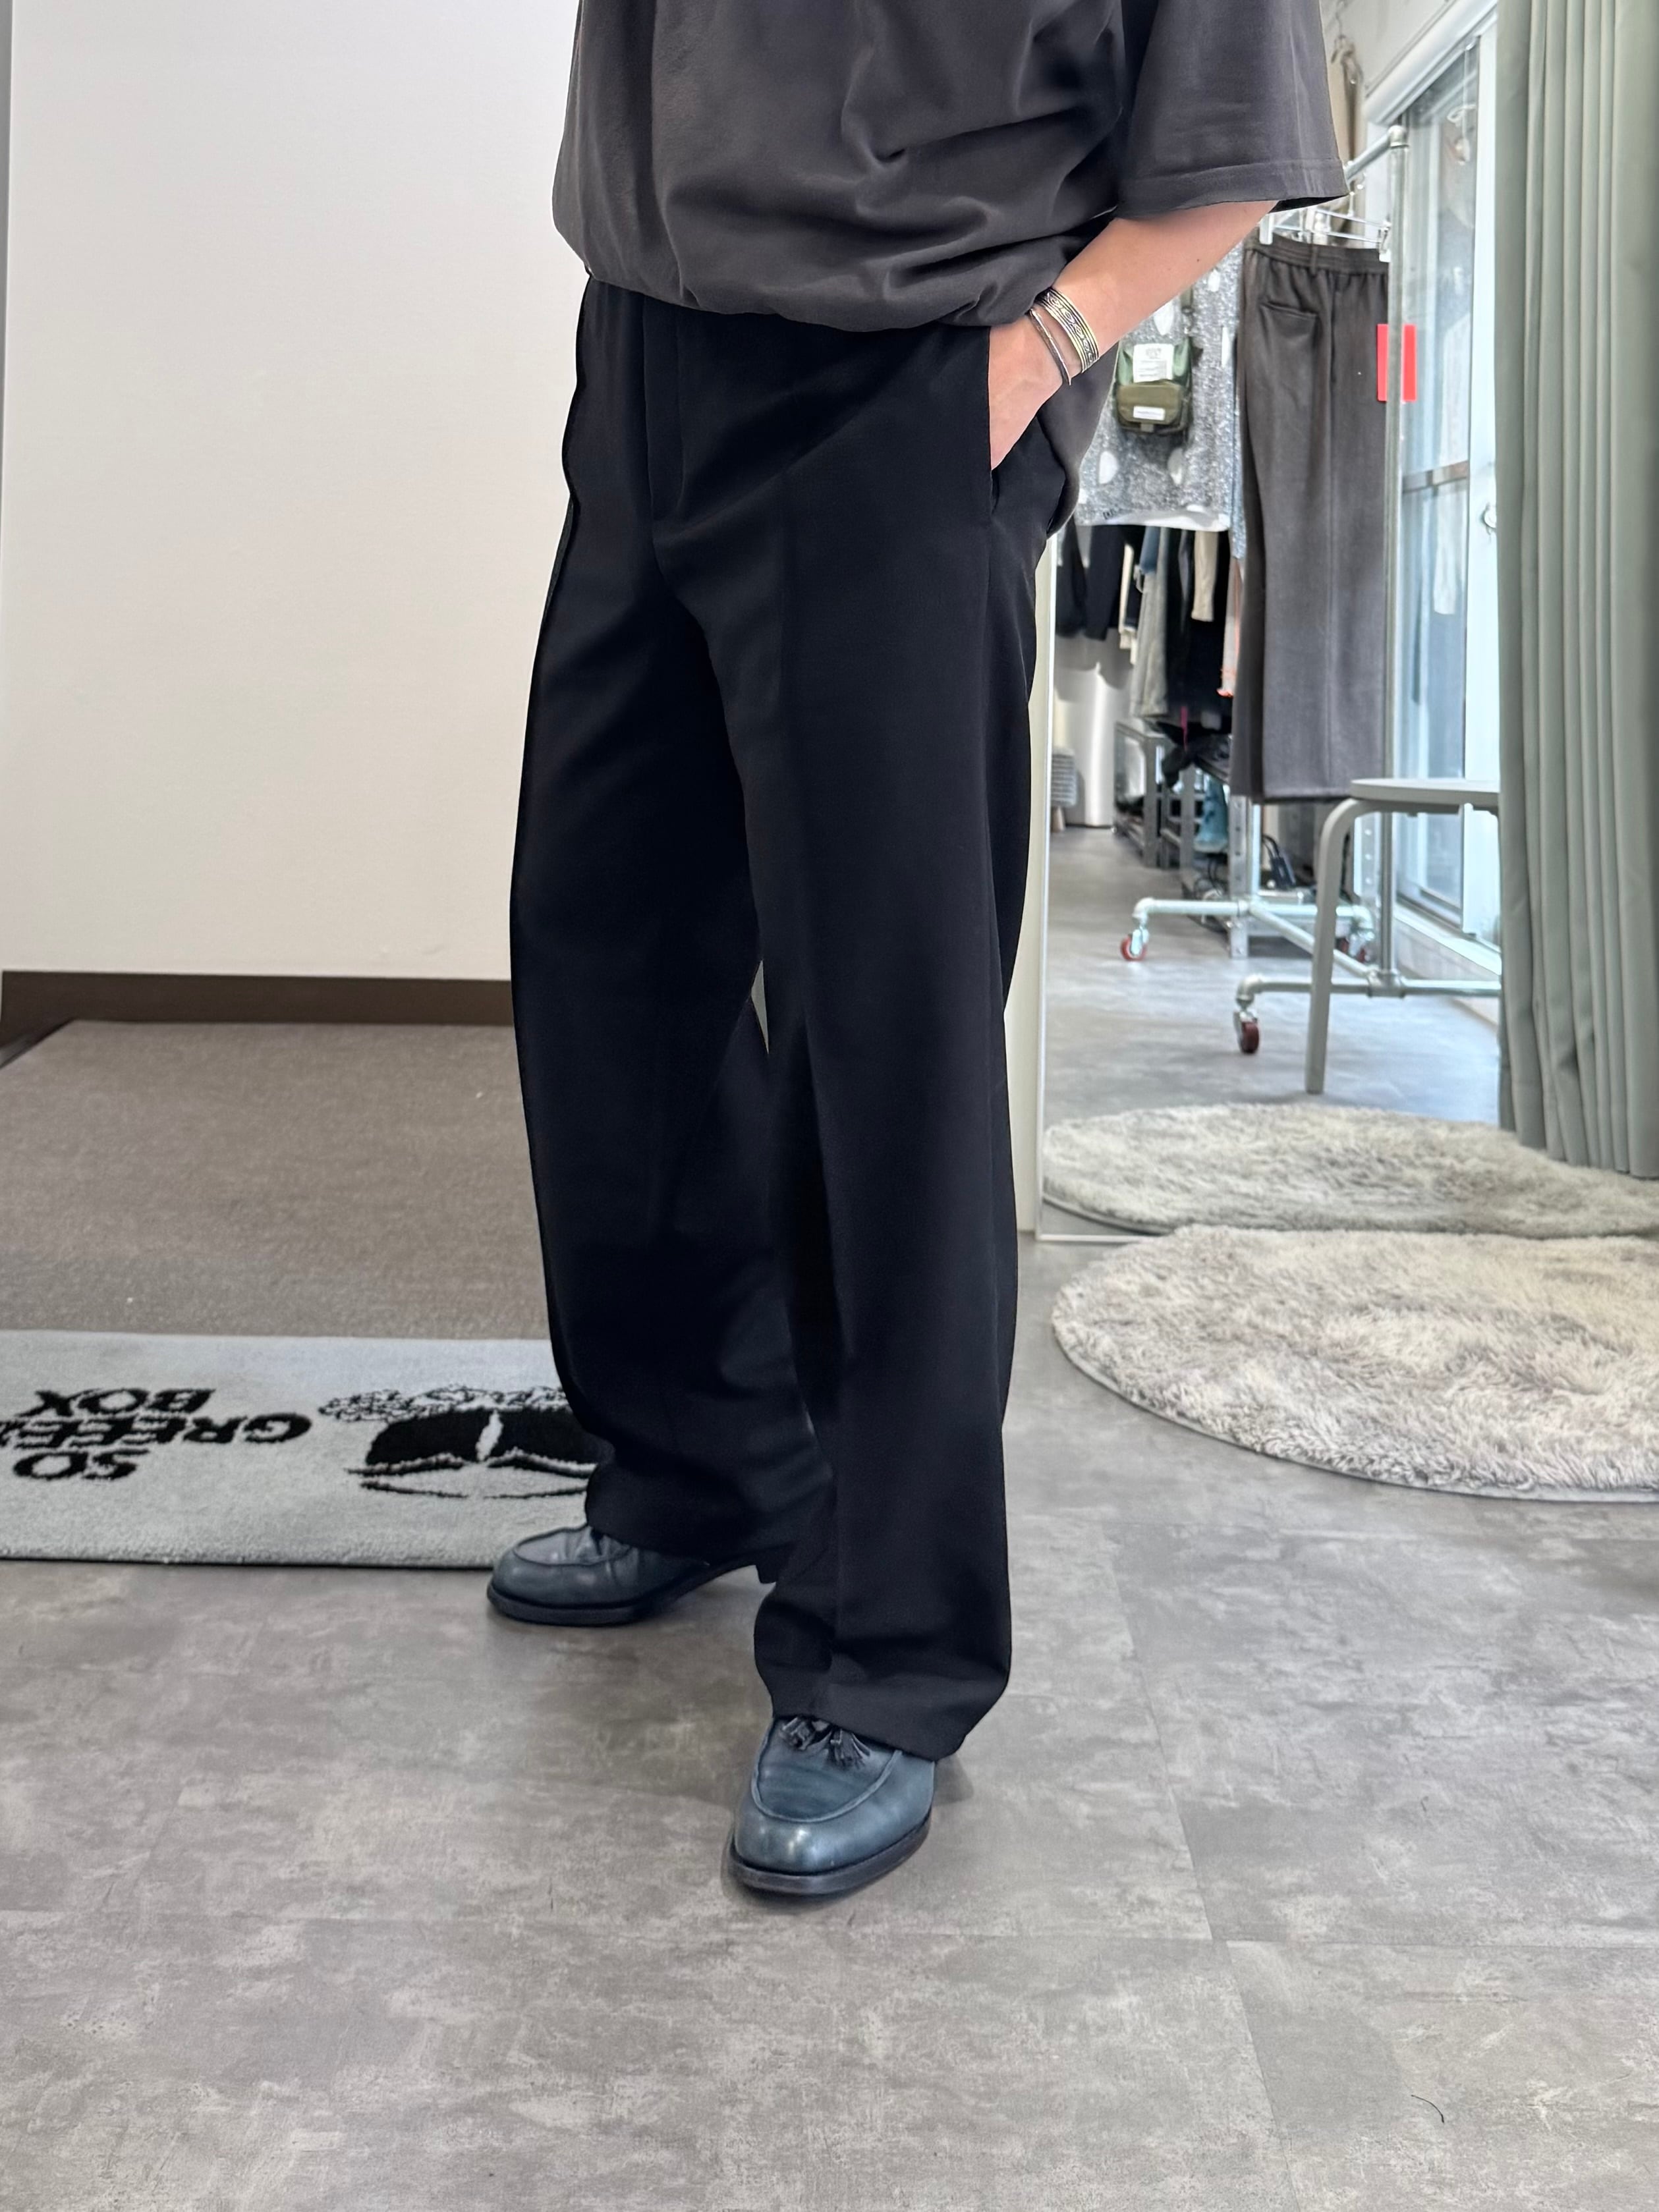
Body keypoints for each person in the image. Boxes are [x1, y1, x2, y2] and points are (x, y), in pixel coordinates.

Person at [494, 0, 1345, 1898]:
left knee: (887, 1034)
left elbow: (1235, 151)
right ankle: (699, 1460)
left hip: (899, 380)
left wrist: (1035, 357)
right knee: (606, 954)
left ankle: (888, 1649)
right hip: (643, 355)